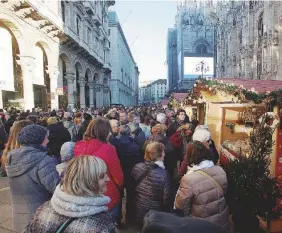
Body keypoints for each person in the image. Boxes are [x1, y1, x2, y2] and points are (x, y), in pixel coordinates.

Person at [24, 156, 116, 233]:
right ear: (88, 182)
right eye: (102, 176)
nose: (108, 179)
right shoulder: (101, 224)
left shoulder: (44, 209)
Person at [6, 124, 60, 232]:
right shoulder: (44, 160)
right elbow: (56, 188)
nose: (48, 140)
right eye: (46, 138)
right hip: (40, 216)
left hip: (19, 216)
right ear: (38, 140)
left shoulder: (12, 157)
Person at [74, 117, 124, 220]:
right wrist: (121, 187)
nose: (110, 134)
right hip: (106, 195)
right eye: (108, 131)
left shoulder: (78, 146)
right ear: (104, 132)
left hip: (86, 195)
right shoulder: (108, 149)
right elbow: (118, 177)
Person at [174, 141, 229, 231]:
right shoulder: (220, 171)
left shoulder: (189, 179)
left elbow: (181, 208)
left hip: (200, 226)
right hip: (220, 222)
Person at [131, 142, 172, 225]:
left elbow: (131, 187)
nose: (164, 154)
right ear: (159, 155)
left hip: (138, 208)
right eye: (163, 152)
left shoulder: (137, 167)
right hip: (154, 214)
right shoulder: (164, 174)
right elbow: (166, 198)